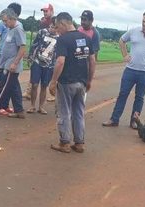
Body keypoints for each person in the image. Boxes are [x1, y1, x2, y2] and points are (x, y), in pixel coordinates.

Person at [102, 10, 145, 129]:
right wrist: (124, 55)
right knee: (123, 94)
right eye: (143, 21)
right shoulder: (134, 30)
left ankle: (134, 121)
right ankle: (114, 119)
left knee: (139, 97)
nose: (144, 24)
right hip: (130, 69)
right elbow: (122, 40)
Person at [48, 12, 96, 153]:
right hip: (81, 82)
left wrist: (53, 81)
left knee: (63, 112)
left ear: (63, 24)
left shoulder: (63, 39)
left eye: (57, 27)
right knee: (78, 112)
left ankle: (64, 143)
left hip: (66, 82)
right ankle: (79, 143)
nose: (57, 30)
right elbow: (92, 61)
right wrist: (89, 80)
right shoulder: (86, 38)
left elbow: (60, 61)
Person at [0, 3, 23, 114]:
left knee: (9, 84)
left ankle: (3, 106)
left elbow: (22, 47)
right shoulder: (2, 23)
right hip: (1, 55)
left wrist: (15, 62)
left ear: (15, 15)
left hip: (11, 60)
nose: (5, 22)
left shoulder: (18, 27)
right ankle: (1, 106)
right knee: (0, 82)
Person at [26, 18, 58, 115]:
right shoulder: (42, 32)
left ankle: (41, 107)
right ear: (49, 26)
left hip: (49, 65)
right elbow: (34, 45)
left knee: (44, 86)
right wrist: (30, 57)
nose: (53, 29)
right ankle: (32, 106)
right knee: (34, 84)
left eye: (55, 28)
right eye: (52, 27)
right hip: (37, 62)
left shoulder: (59, 37)